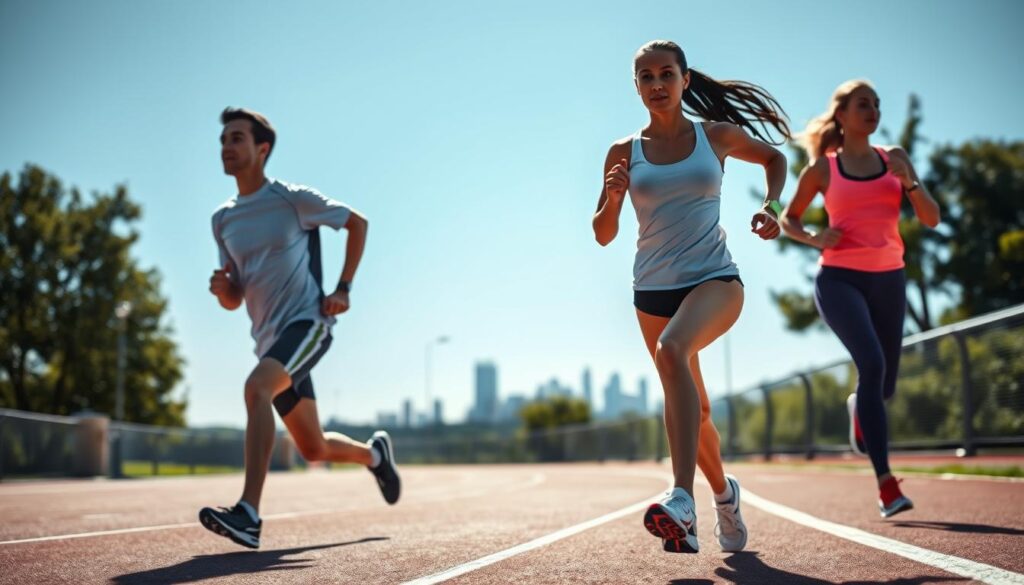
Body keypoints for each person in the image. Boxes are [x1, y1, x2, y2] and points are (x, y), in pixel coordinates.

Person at [593, 40, 790, 553]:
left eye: (665, 74)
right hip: (652, 292)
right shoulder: (623, 152)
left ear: (684, 79)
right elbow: (603, 233)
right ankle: (725, 497)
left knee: (672, 351)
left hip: (715, 280)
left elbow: (773, 159)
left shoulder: (716, 137)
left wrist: (773, 208)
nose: (656, 85)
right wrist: (613, 199)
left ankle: (682, 497)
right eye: (646, 77)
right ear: (636, 87)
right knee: (696, 413)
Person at [200, 107, 401, 549]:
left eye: (236, 138)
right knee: (312, 449)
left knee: (256, 389)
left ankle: (248, 514)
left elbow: (357, 223)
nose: (227, 147)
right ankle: (374, 455)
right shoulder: (223, 220)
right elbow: (235, 299)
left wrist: (343, 288)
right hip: (269, 341)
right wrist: (224, 290)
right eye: (223, 140)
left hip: (308, 324)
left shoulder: (290, 199)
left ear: (262, 148)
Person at [780, 80, 940, 518]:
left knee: (883, 385)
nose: (872, 110)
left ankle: (859, 409)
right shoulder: (823, 169)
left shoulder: (896, 159)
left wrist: (910, 184)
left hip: (889, 278)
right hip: (839, 279)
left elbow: (930, 218)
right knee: (871, 364)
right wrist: (814, 236)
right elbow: (787, 220)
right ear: (842, 116)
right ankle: (887, 486)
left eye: (876, 104)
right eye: (862, 104)